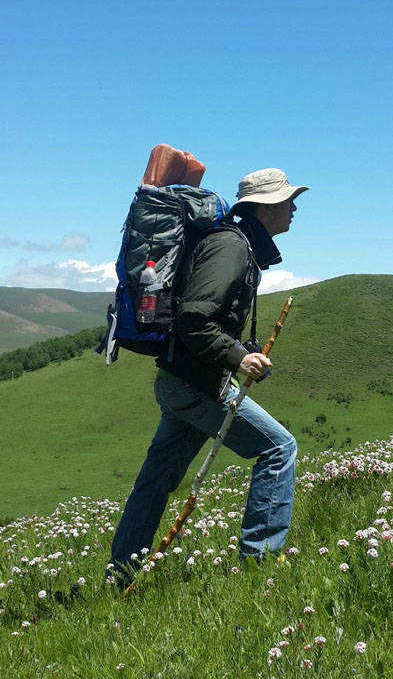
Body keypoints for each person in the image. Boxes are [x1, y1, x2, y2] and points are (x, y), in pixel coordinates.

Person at [106, 167, 308, 585]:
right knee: (279, 449)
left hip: (181, 379)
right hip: (198, 385)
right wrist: (238, 359)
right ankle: (261, 563)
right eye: (288, 199)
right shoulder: (231, 247)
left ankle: (120, 574)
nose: (293, 207)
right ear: (265, 206)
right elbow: (194, 319)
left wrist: (238, 352)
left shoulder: (237, 244)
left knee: (156, 480)